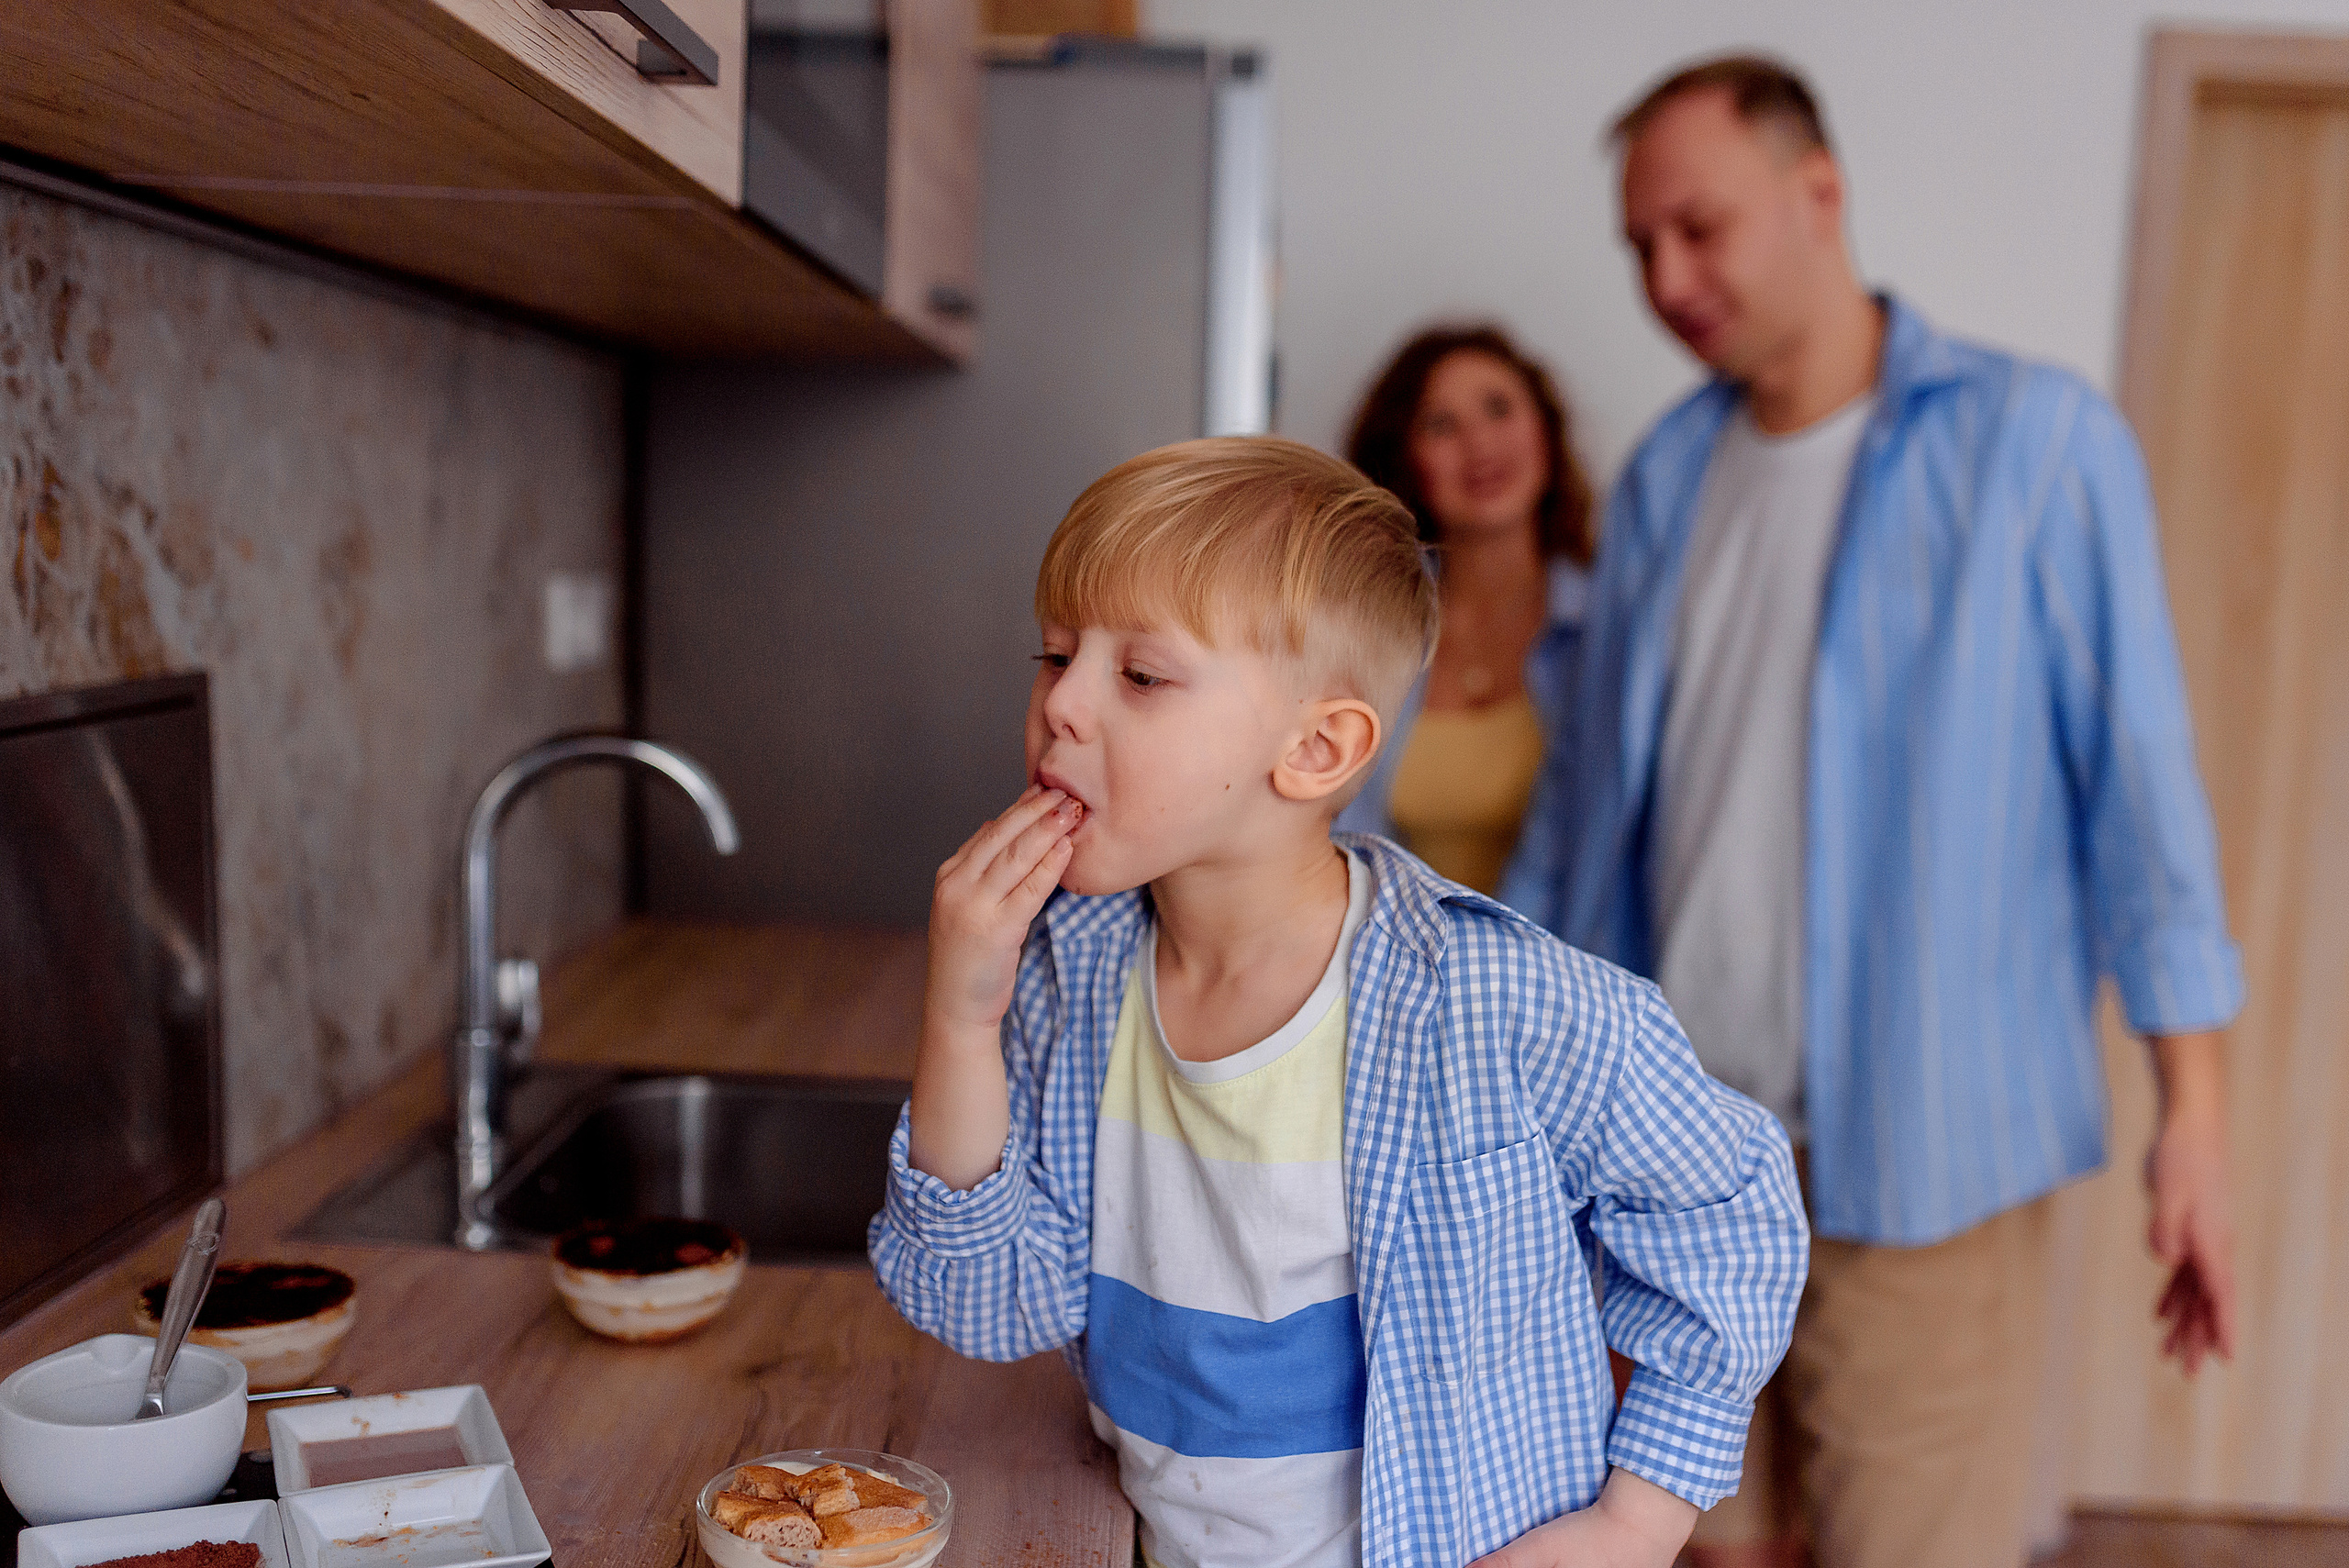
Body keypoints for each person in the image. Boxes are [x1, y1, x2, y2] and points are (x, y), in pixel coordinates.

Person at [1508, 55, 2243, 1568]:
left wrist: (2199, 1119)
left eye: (1698, 228)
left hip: (1924, 1167)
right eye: (1640, 246)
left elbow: (2145, 802)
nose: (1667, 277)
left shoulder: (2038, 444)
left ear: (1818, 193)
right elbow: (1587, 828)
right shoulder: (1662, 479)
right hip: (1678, 1159)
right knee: (1693, 1539)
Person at [869, 436, 1808, 1568]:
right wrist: (961, 1018)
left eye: (1141, 675)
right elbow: (988, 1305)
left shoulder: (1492, 999)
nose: (1062, 703)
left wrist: (1637, 1522)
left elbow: (1735, 1208)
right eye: (1054, 654)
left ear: (1317, 748)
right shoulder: (1071, 977)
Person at [1336, 327, 1595, 903]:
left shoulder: (1608, 629)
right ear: (1404, 459)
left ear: (1546, 432)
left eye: (1499, 409)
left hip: (1569, 979)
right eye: (1442, 424)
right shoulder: (1362, 634)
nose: (1480, 445)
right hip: (1388, 973)